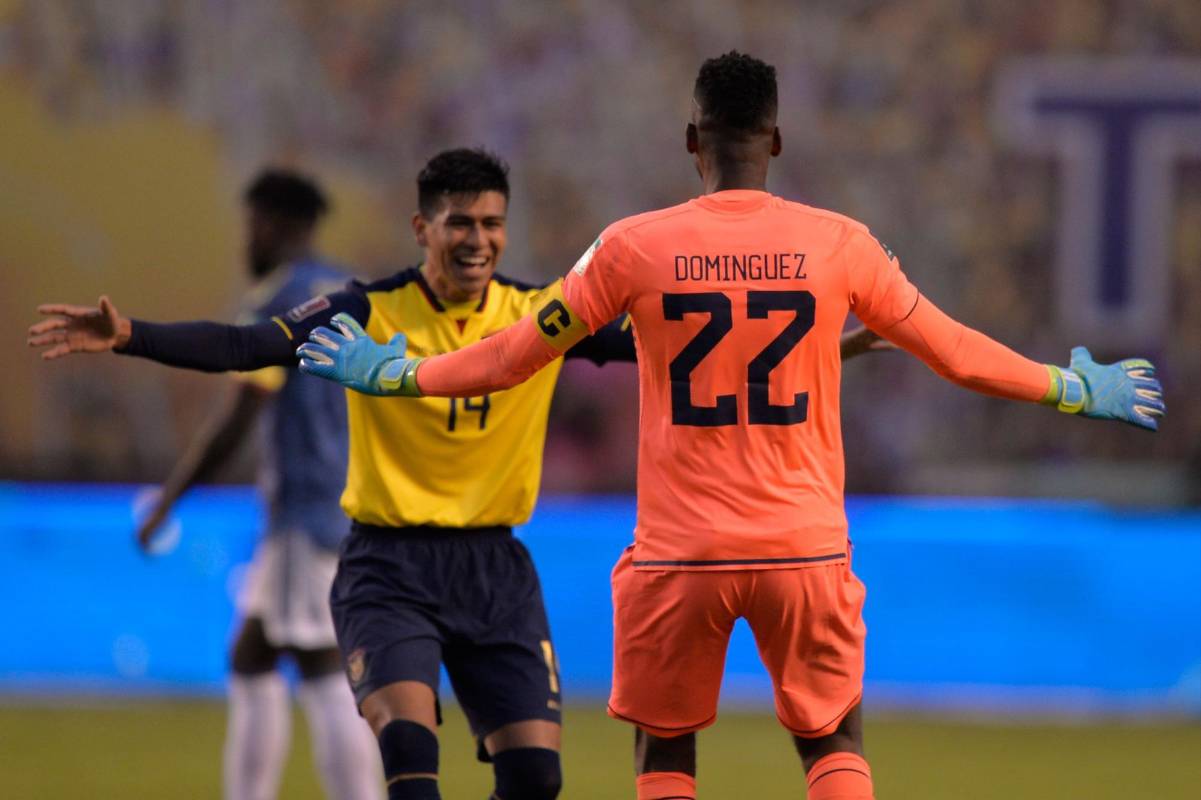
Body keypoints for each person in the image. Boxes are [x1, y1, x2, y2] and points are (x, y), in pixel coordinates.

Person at [288, 54, 1166, 800]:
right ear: (775, 140)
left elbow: (518, 352)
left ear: (690, 141)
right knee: (831, 741)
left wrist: (402, 373)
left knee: (665, 749)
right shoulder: (840, 243)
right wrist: (1068, 387)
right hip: (803, 545)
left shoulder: (630, 247)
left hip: (681, 552)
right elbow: (951, 352)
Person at [29, 147, 885, 800]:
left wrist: (826, 344)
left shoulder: (537, 314)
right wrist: (132, 332)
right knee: (410, 755)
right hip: (387, 567)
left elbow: (674, 352)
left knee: (537, 781)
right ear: (422, 230)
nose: (478, 241)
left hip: (494, 571)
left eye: (491, 224)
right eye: (459, 224)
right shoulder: (364, 310)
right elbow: (246, 348)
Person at [130, 169, 382, 800]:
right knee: (254, 655)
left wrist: (168, 499)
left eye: (252, 225)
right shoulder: (353, 291)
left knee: (326, 668)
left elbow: (237, 418)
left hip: (306, 511)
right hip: (352, 504)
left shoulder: (281, 301)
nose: (248, 238)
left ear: (272, 223)